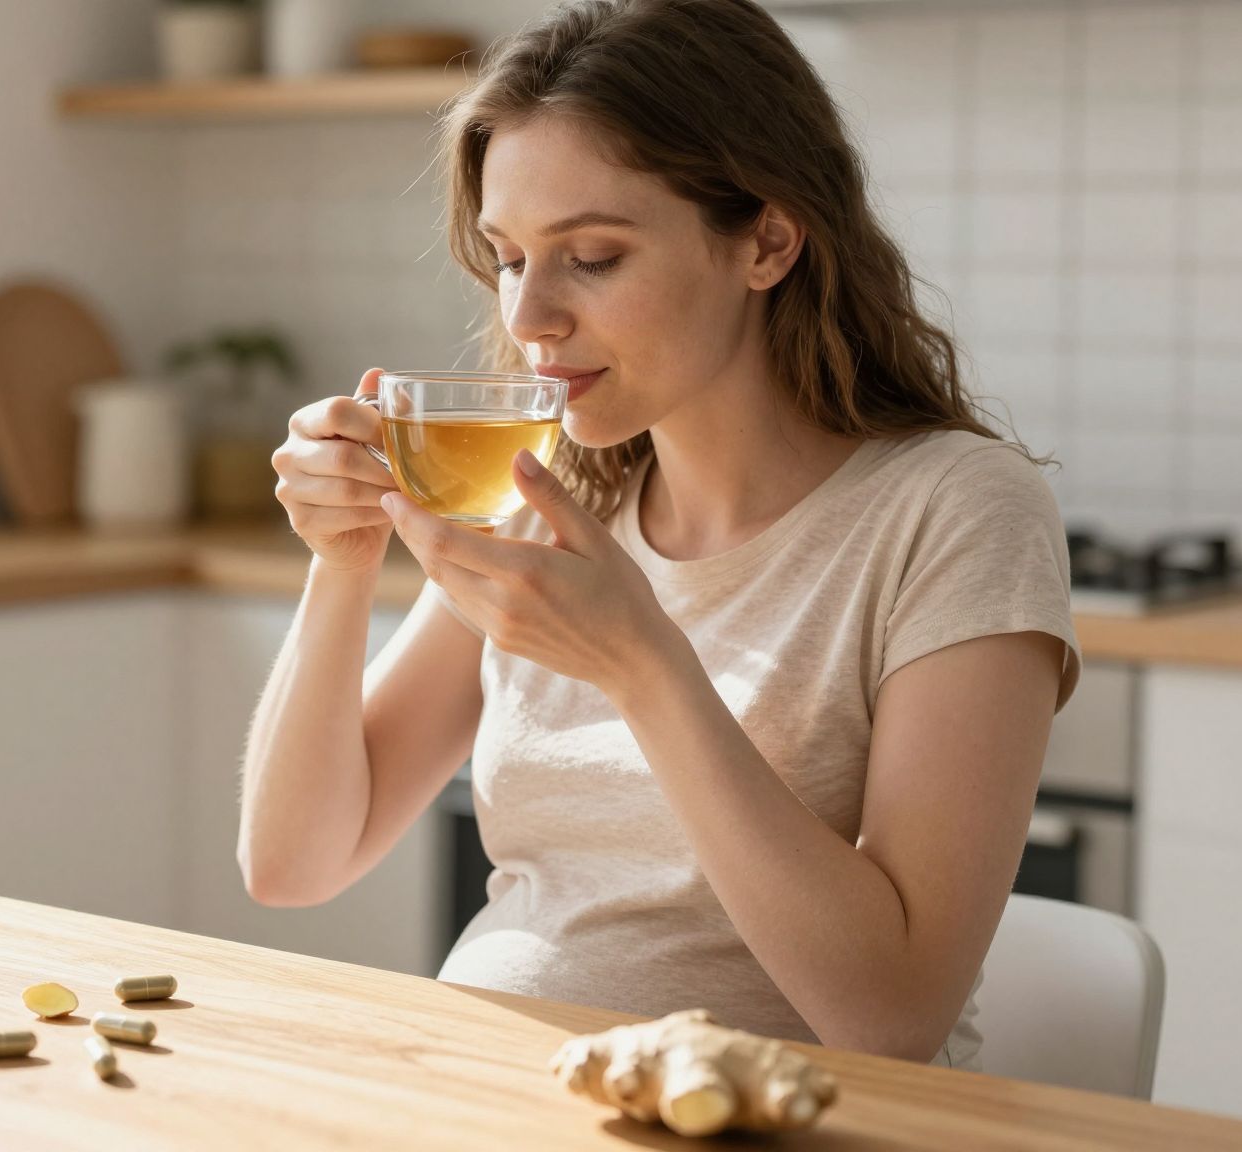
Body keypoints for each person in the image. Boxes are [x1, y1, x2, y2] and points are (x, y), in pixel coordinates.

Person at [238, 0, 1077, 1069]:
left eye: (589, 257)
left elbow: (891, 1015)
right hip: (478, 1094)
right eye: (506, 257)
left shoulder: (953, 511)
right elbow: (293, 865)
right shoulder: (557, 498)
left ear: (765, 241)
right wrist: (341, 566)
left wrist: (642, 666)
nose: (528, 318)